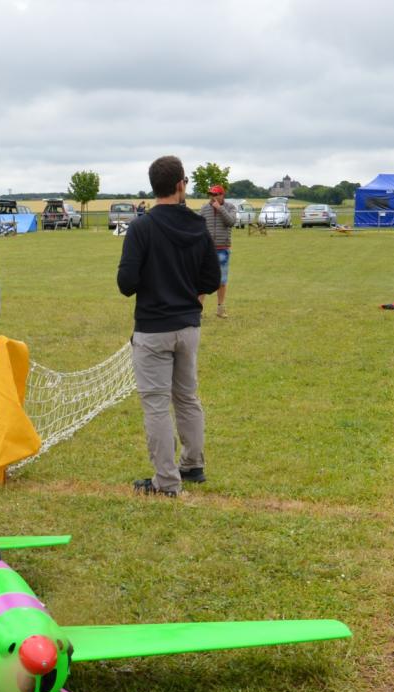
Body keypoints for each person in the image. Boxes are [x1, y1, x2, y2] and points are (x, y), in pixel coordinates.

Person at [117, 155, 221, 496]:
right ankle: (192, 463)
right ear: (180, 184)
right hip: (188, 327)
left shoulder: (142, 227)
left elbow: (126, 283)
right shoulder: (198, 226)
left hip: (152, 330)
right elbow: (212, 278)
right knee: (187, 397)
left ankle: (166, 480)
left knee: (157, 404)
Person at [198, 184, 237, 318]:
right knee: (203, 279)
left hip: (223, 249)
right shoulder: (204, 208)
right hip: (207, 250)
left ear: (222, 195)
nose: (212, 197)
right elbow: (198, 225)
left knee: (222, 281)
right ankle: (198, 310)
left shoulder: (230, 207)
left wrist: (220, 208)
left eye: (215, 194)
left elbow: (231, 222)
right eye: (211, 194)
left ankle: (220, 308)